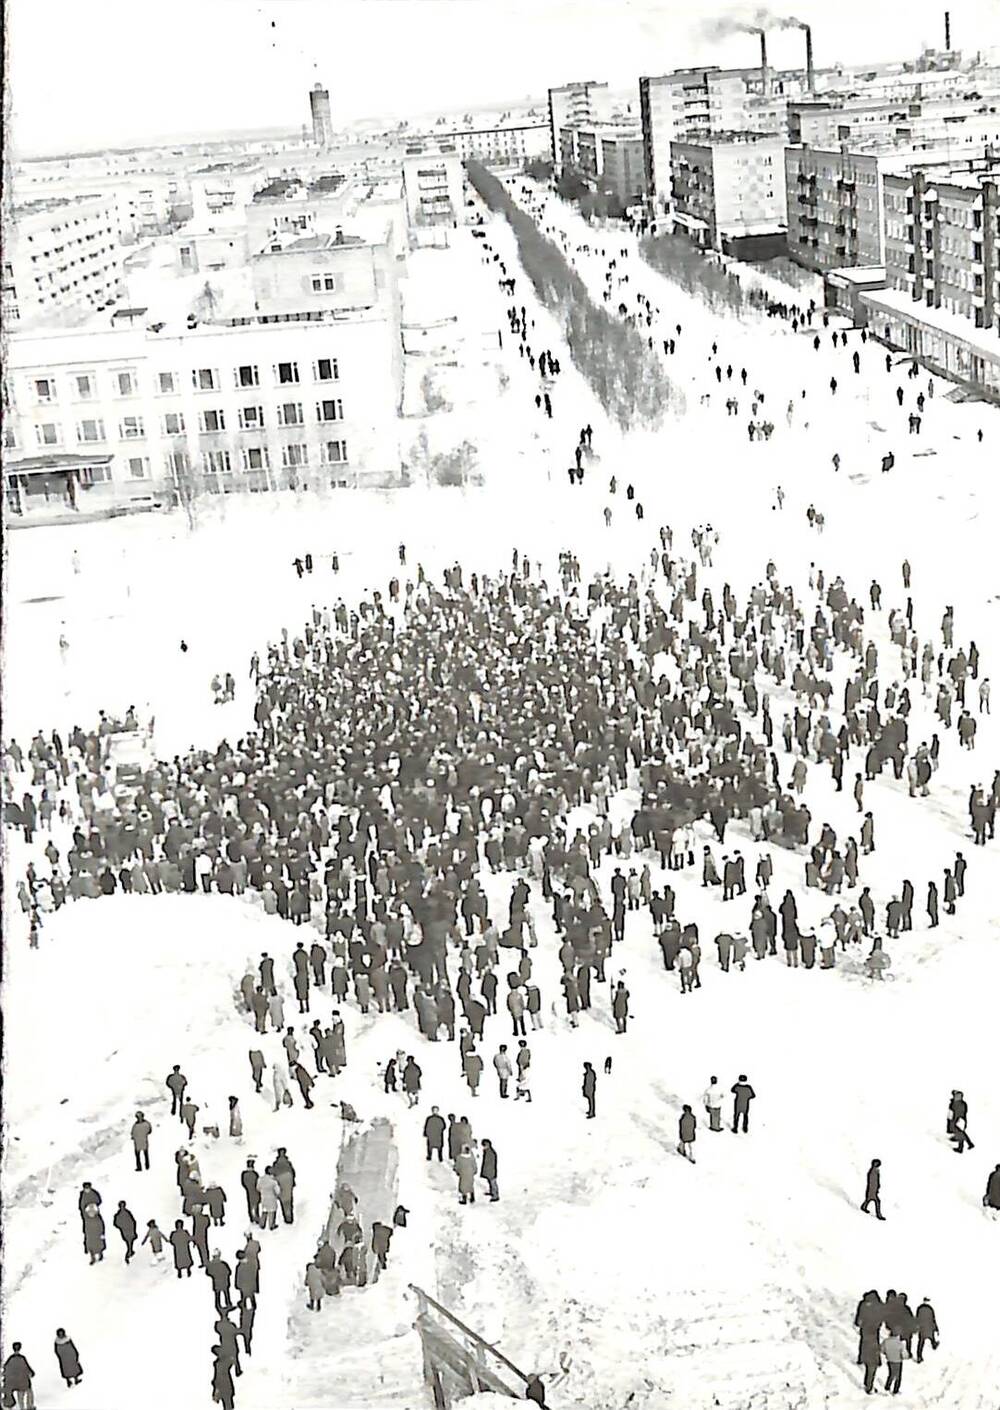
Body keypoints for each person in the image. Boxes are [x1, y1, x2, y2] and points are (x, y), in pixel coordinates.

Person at [2, 1344, 34, 1409]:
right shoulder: (22, 1358)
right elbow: (28, 1369)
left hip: (13, 1383)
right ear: (20, 1348)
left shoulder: (10, 1359)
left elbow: (5, 1369)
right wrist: (32, 1373)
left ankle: (22, 1408)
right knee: (29, 1391)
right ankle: (29, 1406)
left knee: (20, 1396)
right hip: (23, 1382)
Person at [880, 1328, 908, 1395]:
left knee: (891, 1374)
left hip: (890, 1360)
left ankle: (887, 1387)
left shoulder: (886, 1341)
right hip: (898, 1361)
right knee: (898, 1377)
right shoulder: (899, 1343)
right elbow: (904, 1355)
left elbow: (881, 1350)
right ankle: (895, 1390)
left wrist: (886, 1354)